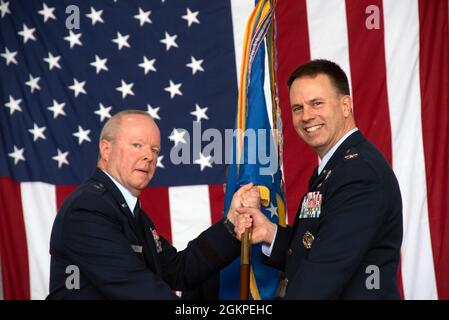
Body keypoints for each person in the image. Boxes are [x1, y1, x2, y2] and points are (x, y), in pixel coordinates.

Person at [236, 59, 403, 299]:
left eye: (317, 104)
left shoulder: (359, 173)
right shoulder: (337, 167)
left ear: (345, 106)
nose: (306, 116)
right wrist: (271, 233)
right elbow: (315, 246)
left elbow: (321, 276)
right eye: (297, 108)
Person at [47, 110, 258, 299]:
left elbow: (179, 271)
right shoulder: (87, 209)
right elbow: (136, 289)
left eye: (155, 150)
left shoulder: (129, 213)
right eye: (137, 145)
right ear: (106, 149)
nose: (149, 156)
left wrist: (231, 223)